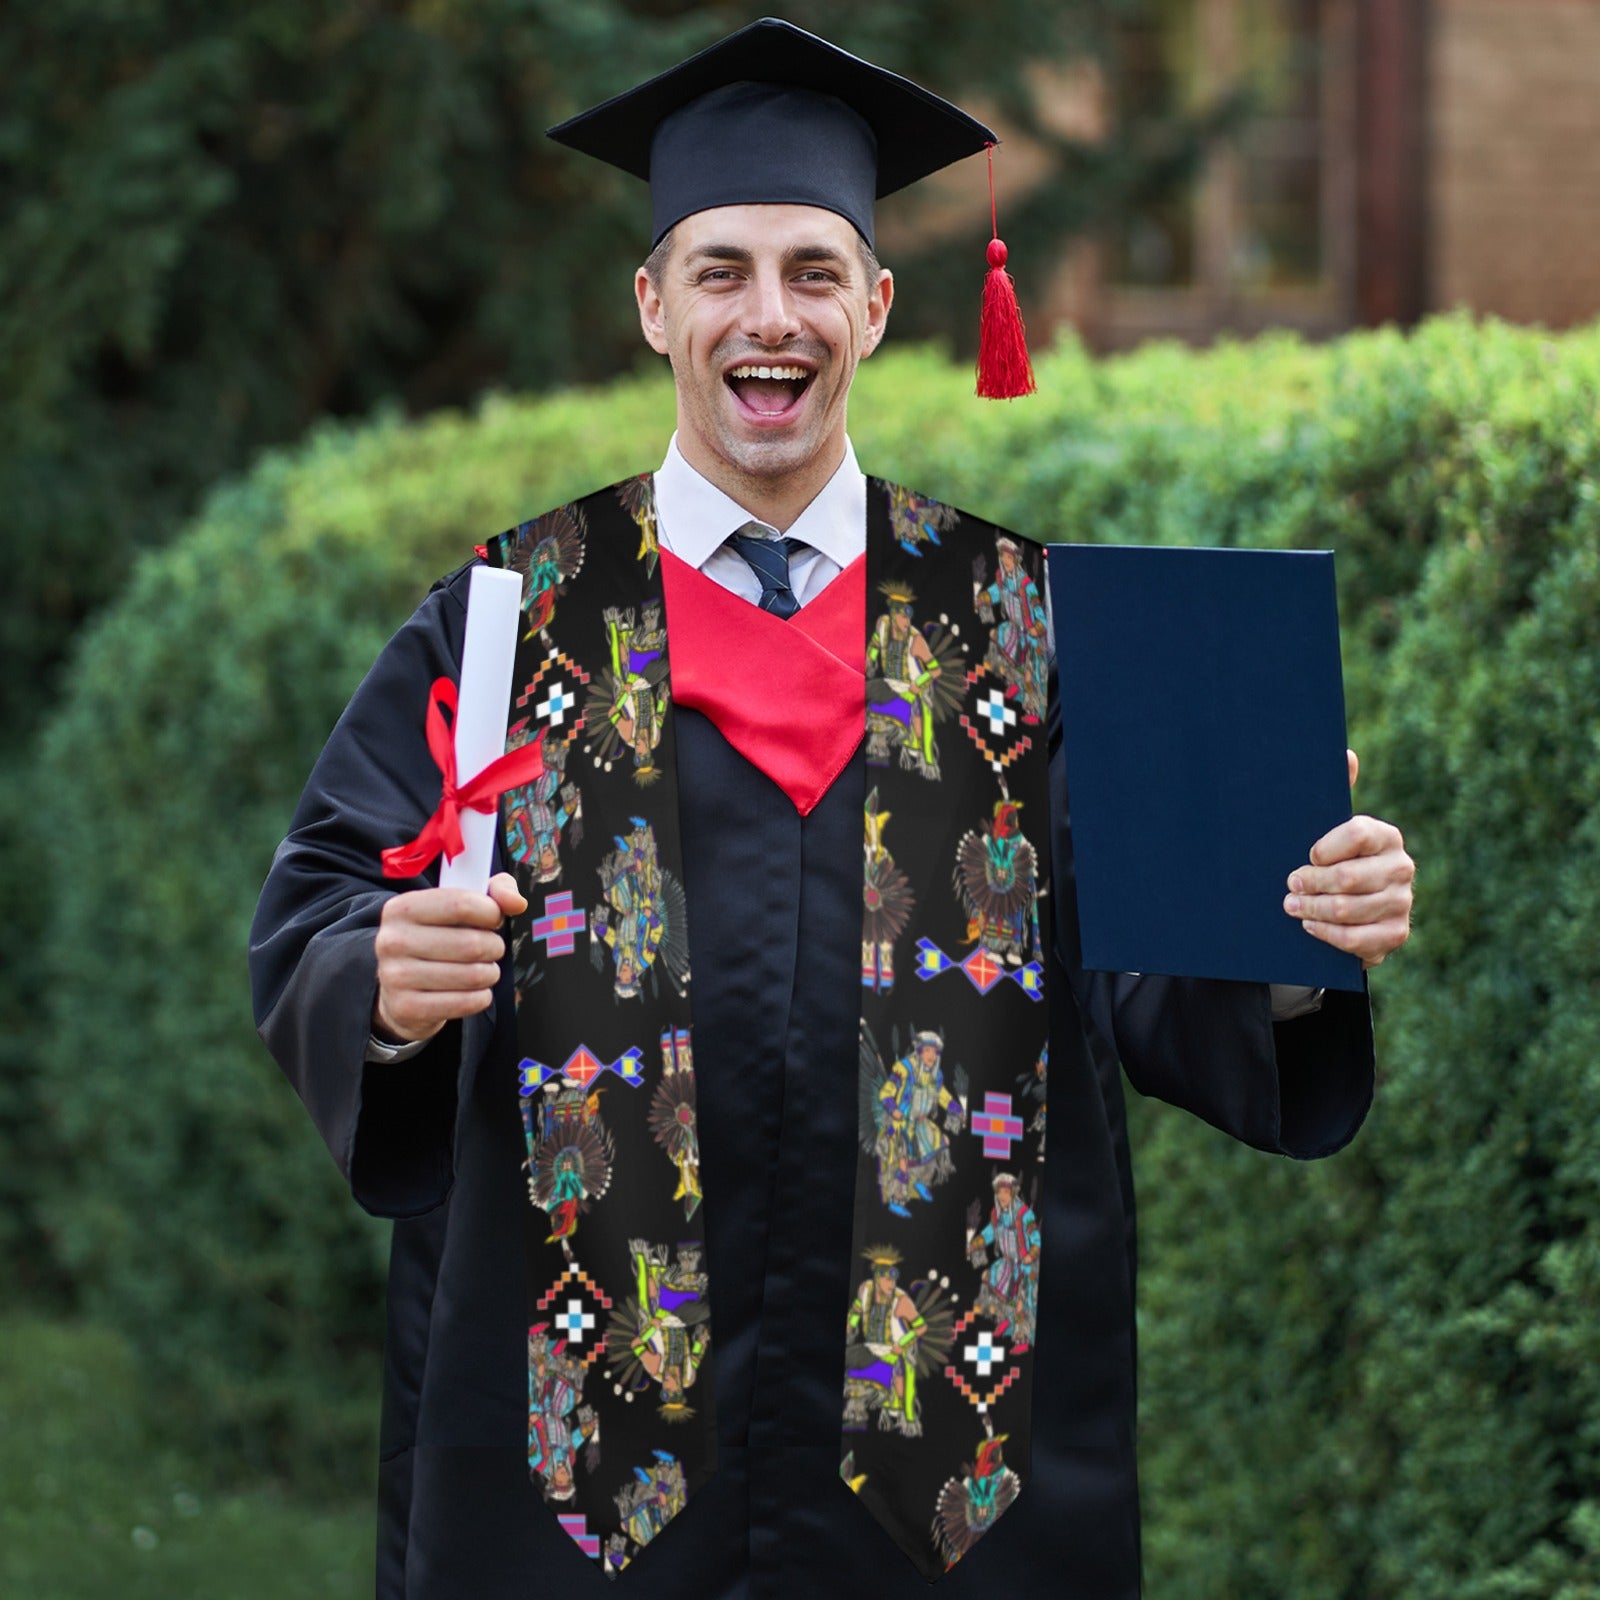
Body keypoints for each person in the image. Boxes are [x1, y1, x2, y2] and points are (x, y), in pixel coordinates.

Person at [249, 19, 1414, 1600]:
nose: (768, 316)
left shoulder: (1028, 626)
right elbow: (324, 901)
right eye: (721, 270)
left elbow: (1153, 973)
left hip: (952, 1472)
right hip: (586, 1469)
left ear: (877, 305)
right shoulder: (517, 622)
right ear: (654, 305)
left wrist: (1292, 932)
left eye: (812, 270)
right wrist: (379, 984)